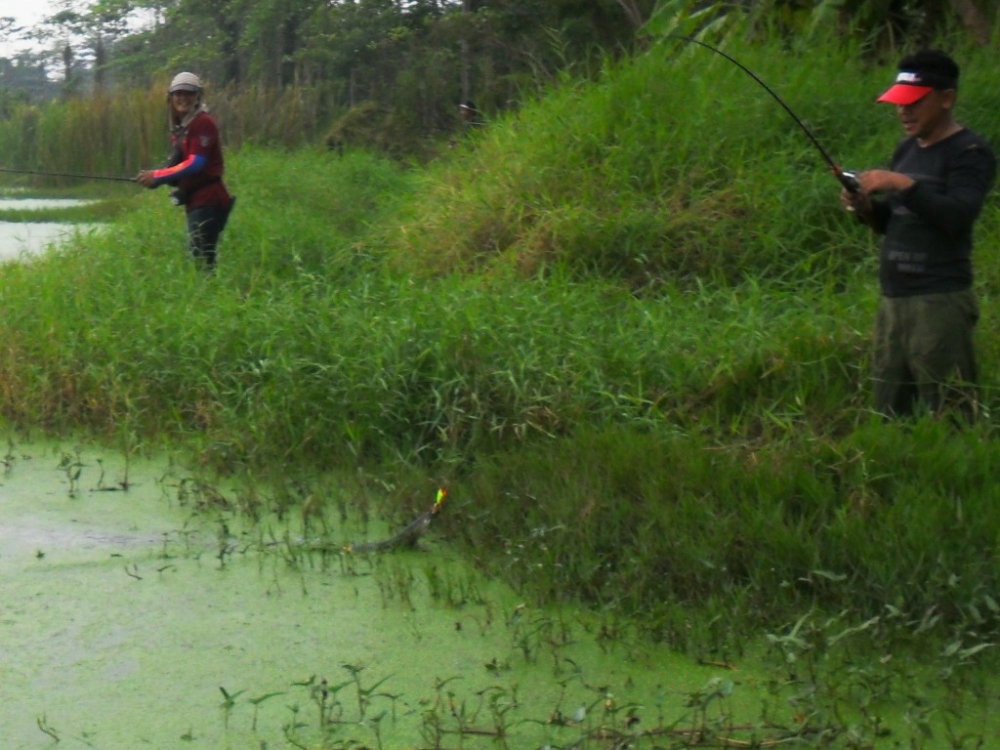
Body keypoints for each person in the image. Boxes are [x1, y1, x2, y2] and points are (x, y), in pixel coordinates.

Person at [841, 49, 996, 421]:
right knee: (890, 413)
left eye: (915, 102)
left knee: (952, 412)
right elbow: (893, 221)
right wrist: (865, 208)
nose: (903, 112)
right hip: (894, 299)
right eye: (898, 103)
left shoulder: (970, 152)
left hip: (939, 300)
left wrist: (902, 183)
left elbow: (958, 216)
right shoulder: (906, 150)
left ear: (947, 99)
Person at [137, 72, 235, 270]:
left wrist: (157, 176)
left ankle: (207, 297)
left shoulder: (203, 122)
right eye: (178, 93)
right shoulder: (184, 126)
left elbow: (195, 163)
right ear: (171, 97)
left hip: (209, 200)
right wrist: (159, 177)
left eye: (189, 93)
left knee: (202, 261)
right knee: (201, 258)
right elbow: (179, 164)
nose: (183, 97)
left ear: (198, 96)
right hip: (196, 200)